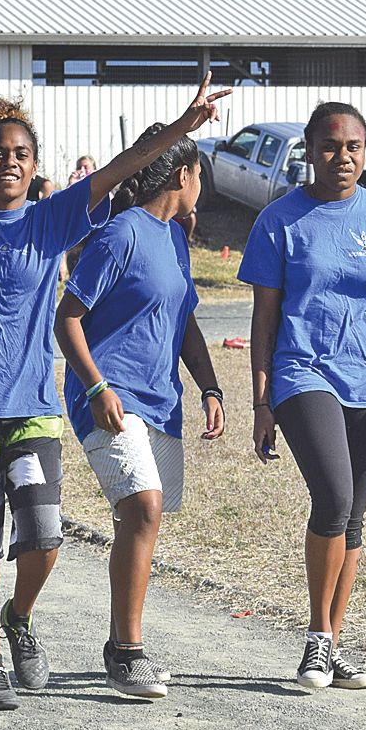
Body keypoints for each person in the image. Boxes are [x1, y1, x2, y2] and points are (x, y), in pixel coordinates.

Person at [0, 77, 232, 710]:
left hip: (32, 408)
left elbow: (124, 167)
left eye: (21, 154)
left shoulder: (53, 218)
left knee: (44, 537)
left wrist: (181, 127)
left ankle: (20, 616)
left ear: (35, 167)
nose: (10, 161)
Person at [241, 101, 366, 691]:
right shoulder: (279, 221)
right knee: (331, 497)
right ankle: (316, 638)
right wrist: (259, 402)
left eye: (354, 146)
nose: (343, 157)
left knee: (352, 517)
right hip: (302, 374)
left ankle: (332, 641)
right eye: (330, 146)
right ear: (309, 149)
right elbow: (264, 319)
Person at [55, 125, 225, 698]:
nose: (201, 184)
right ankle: (127, 652)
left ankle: (121, 643)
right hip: (109, 398)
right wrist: (97, 385)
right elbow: (67, 317)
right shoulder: (119, 234)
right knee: (144, 508)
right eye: (200, 174)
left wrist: (210, 387)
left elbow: (186, 324)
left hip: (161, 402)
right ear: (183, 175)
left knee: (142, 520)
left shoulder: (175, 237)